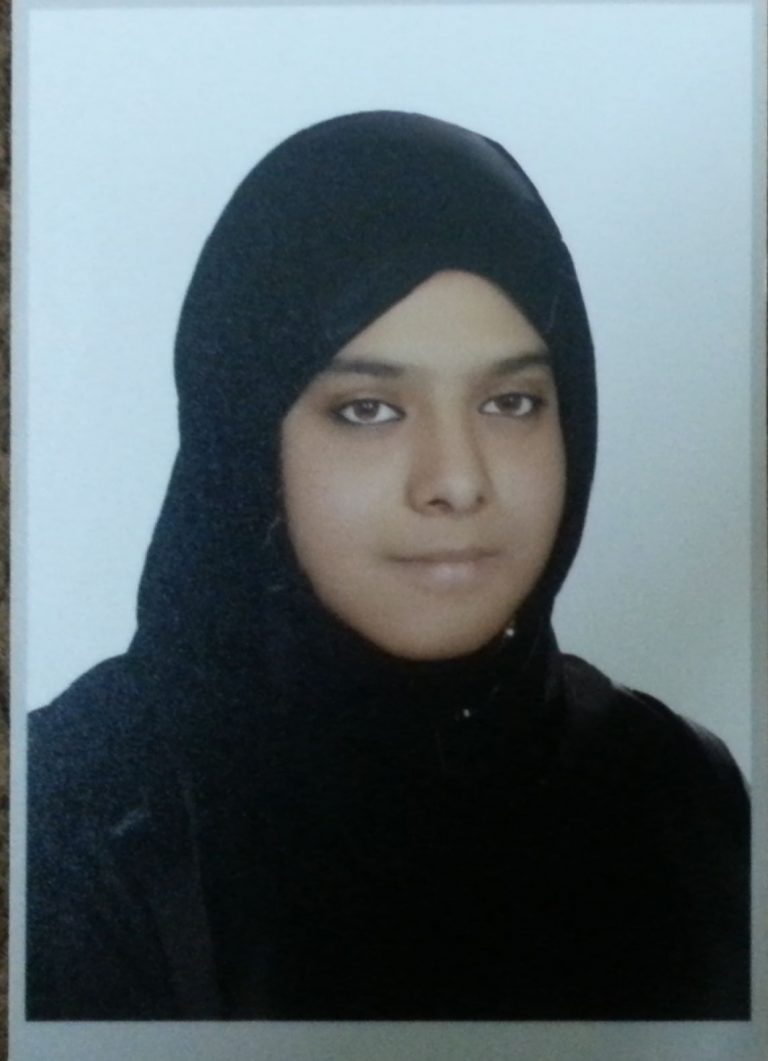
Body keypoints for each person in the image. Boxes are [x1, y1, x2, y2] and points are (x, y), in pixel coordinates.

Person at [26, 111, 750, 1021]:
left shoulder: (675, 792)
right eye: (369, 409)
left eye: (511, 401)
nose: (457, 480)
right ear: (242, 445)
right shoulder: (75, 817)